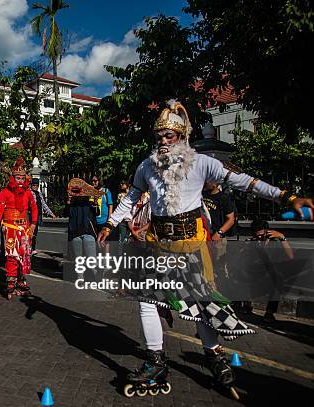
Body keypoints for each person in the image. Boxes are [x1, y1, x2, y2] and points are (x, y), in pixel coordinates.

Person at [97, 100, 313, 399]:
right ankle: (156, 361)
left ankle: (215, 357)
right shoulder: (146, 166)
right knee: (147, 300)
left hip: (191, 246)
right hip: (159, 246)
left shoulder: (201, 162)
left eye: (169, 136)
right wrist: (110, 222)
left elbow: (245, 182)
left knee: (201, 306)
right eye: (159, 135)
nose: (162, 141)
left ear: (182, 136)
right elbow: (132, 197)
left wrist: (287, 198)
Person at [0, 158, 38, 299]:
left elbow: (34, 208)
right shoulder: (4, 192)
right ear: (13, 177)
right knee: (11, 255)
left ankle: (21, 280)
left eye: (23, 178)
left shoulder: (28, 193)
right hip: (10, 227)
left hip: (25, 228)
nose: (20, 181)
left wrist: (34, 223)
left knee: (24, 255)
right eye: (18, 178)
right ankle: (11, 281)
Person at [246, 219, 294, 323]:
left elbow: (290, 256)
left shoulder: (275, 243)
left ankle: (269, 312)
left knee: (278, 279)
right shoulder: (252, 244)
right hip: (254, 278)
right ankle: (245, 304)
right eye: (257, 235)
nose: (260, 237)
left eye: (262, 234)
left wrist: (282, 237)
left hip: (268, 278)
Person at [64, 178, 99, 280]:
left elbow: (97, 213)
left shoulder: (89, 204)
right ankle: (80, 278)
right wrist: (68, 201)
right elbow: (66, 213)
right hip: (75, 234)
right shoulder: (72, 204)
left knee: (91, 258)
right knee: (78, 259)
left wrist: (96, 202)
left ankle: (97, 276)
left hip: (88, 233)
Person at [30, 178, 56, 252]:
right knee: (30, 232)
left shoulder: (39, 193)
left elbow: (43, 204)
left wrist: (50, 213)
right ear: (31, 185)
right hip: (31, 215)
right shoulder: (29, 193)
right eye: (33, 185)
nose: (35, 186)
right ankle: (29, 248)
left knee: (35, 232)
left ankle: (33, 248)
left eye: (36, 185)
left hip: (38, 215)